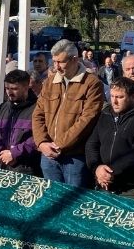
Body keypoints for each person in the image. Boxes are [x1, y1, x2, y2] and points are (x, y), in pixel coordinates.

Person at [31, 40, 104, 186]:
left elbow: (87, 120)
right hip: (48, 155)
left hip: (74, 158)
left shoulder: (92, 83)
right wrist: (42, 142)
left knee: (73, 204)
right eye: (54, 61)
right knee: (51, 200)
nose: (56, 66)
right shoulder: (50, 82)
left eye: (61, 62)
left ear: (75, 59)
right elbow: (38, 114)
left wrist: (58, 145)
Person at [86, 76, 134, 200]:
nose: (114, 101)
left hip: (131, 188)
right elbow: (92, 144)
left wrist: (111, 173)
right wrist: (96, 168)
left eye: (120, 97)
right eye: (112, 96)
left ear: (133, 97)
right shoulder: (106, 114)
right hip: (103, 183)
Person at [0, 69, 39, 174]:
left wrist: (14, 154)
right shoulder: (2, 108)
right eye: (7, 88)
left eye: (14, 89)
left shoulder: (37, 109)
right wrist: (0, 152)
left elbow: (37, 138)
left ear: (26, 87)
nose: (9, 92)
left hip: (26, 167)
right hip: (2, 165)